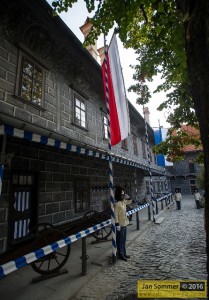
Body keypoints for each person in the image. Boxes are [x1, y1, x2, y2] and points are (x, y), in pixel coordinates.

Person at [114, 186, 132, 261]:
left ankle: (124, 252)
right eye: (122, 195)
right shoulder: (117, 204)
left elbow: (130, 201)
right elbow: (115, 215)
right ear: (118, 195)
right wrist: (117, 224)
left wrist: (128, 197)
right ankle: (120, 254)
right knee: (120, 240)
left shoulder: (123, 201)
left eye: (123, 195)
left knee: (124, 240)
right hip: (120, 224)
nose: (123, 196)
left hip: (124, 223)